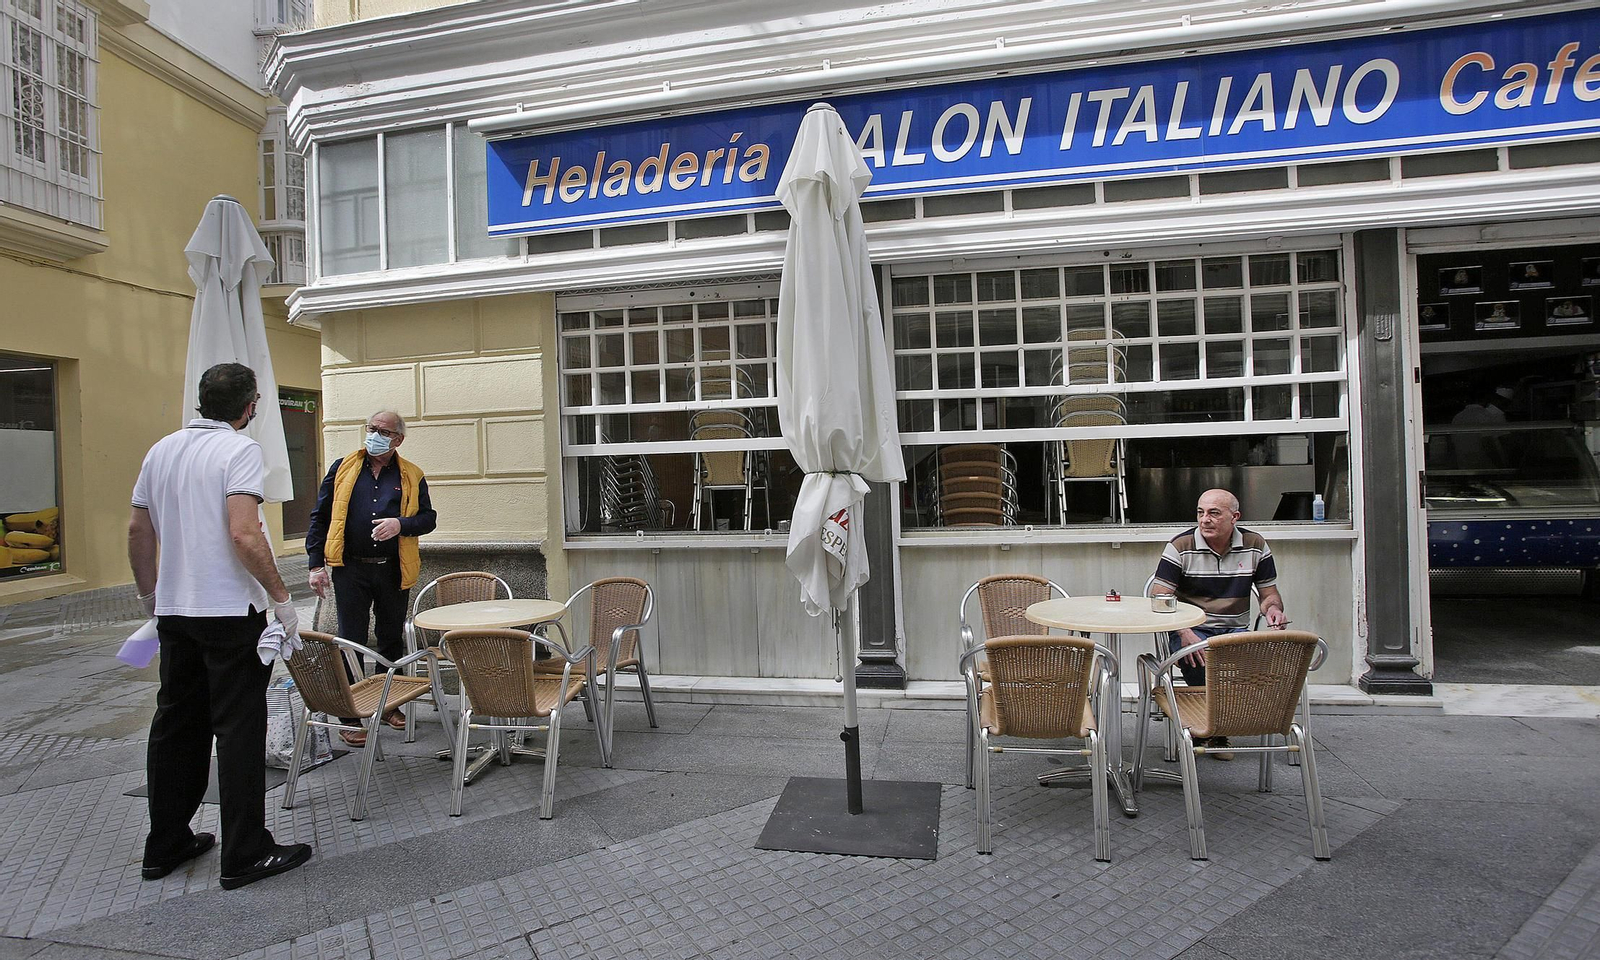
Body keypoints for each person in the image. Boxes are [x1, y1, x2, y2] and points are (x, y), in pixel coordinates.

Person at [127, 362, 312, 889]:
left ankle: (165, 843)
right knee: (238, 730)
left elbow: (139, 529)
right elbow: (244, 534)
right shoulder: (239, 451)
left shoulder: (161, 450)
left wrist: (149, 596)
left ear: (202, 400)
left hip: (175, 613)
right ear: (250, 405)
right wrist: (281, 599)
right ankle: (246, 851)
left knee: (174, 725)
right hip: (231, 613)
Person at [304, 410, 437, 745]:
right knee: (351, 640)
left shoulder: (411, 474)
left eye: (382, 430)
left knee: (391, 638)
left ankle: (389, 704)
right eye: (371, 428)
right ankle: (349, 716)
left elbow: (428, 518)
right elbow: (320, 516)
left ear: (398, 439)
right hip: (350, 568)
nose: (374, 434)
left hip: (393, 567)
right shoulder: (342, 467)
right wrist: (315, 564)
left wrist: (400, 525)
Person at [1150, 489, 1289, 761]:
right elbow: (1159, 595)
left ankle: (1222, 721)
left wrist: (1273, 611)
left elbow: (1269, 594)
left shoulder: (1255, 544)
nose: (1205, 520)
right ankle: (1211, 729)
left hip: (1235, 629)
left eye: (1214, 513)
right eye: (1200, 512)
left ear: (1234, 517)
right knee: (1196, 655)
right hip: (1192, 627)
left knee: (1261, 661)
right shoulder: (1180, 545)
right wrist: (1183, 631)